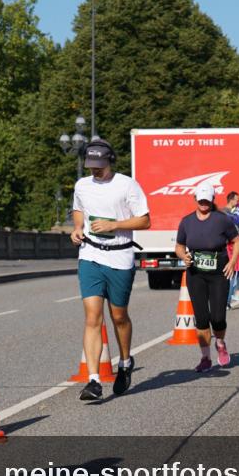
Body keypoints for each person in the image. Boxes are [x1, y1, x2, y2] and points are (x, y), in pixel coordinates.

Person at [71, 138, 150, 400]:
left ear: (110, 161)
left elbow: (145, 220)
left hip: (120, 257)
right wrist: (77, 229)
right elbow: (78, 210)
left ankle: (126, 362)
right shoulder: (82, 185)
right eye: (91, 165)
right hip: (90, 256)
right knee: (93, 316)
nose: (94, 170)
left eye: (99, 165)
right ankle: (93, 380)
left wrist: (113, 225)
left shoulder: (127, 185)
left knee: (118, 316)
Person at [174, 183, 239, 372]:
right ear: (195, 199)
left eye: (207, 200)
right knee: (201, 318)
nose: (204, 203)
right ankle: (205, 357)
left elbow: (236, 241)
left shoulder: (222, 220)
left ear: (212, 200)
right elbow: (179, 247)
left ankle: (220, 343)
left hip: (219, 271)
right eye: (200, 200)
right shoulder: (186, 221)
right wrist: (183, 256)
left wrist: (232, 261)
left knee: (218, 317)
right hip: (196, 273)